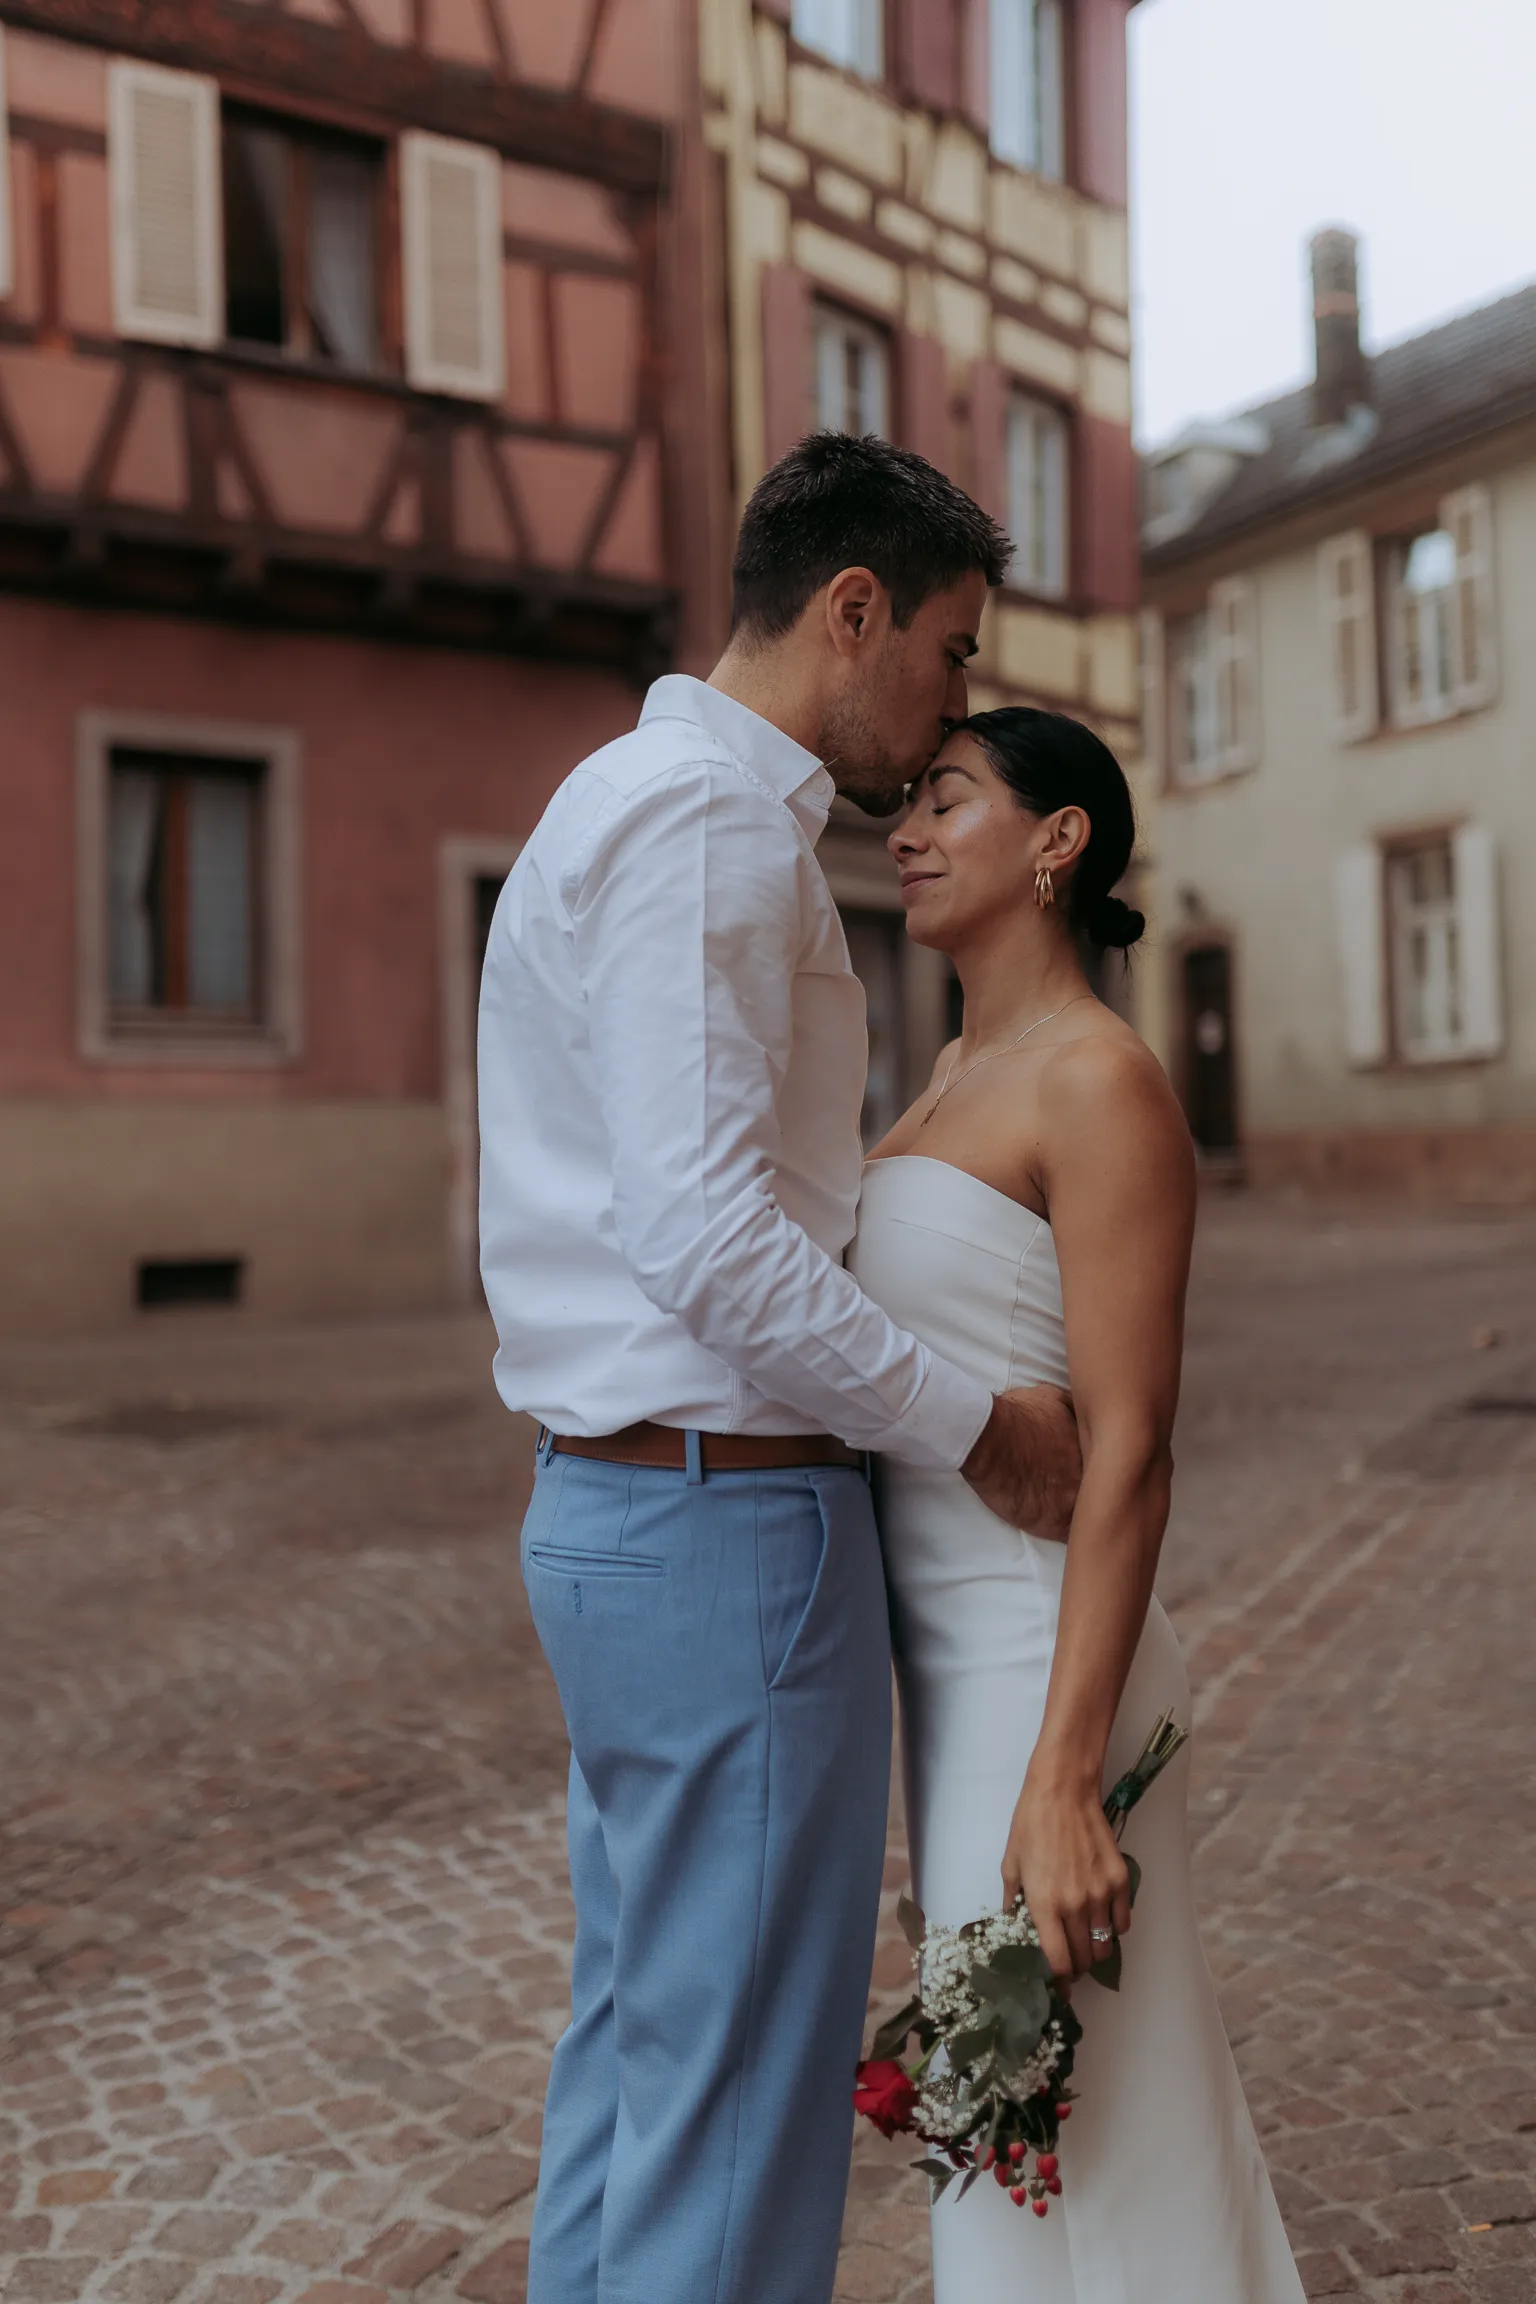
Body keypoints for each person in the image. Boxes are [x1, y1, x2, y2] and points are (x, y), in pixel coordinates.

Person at [477, 436, 1083, 2304]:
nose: (959, 697)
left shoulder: (618, 796)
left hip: (630, 1508)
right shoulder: (713, 821)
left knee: (652, 2060)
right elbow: (710, 1238)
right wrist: (975, 1424)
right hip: (722, 1529)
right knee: (735, 2116)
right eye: (955, 648)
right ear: (853, 610)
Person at [852, 706, 1304, 2303]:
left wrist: (1060, 1778)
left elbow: (1135, 1443)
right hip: (956, 1668)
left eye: (949, 798)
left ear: (1060, 843)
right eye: (908, 799)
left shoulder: (1101, 1081)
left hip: (1048, 1670)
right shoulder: (956, 1068)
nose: (907, 826)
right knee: (1050, 2137)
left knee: (1056, 2143)